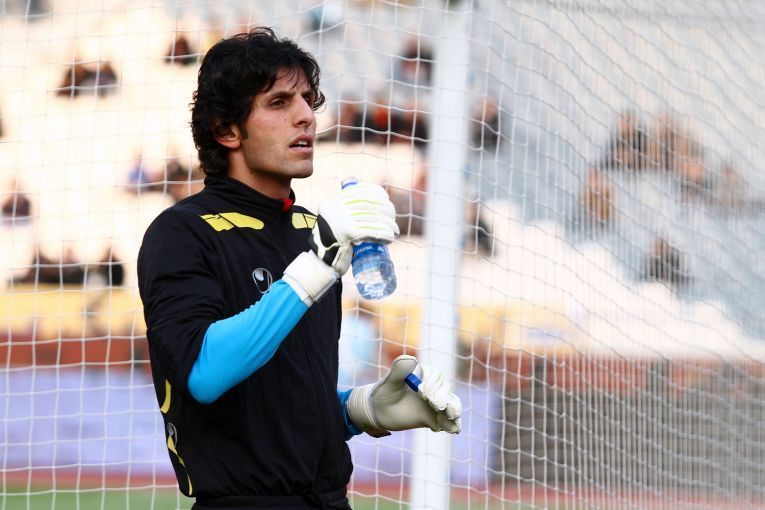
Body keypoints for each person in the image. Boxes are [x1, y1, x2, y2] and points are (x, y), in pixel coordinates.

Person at [137, 27, 461, 510]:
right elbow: (205, 374)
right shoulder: (183, 232)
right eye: (279, 102)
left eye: (308, 99)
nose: (306, 115)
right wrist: (318, 265)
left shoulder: (313, 232)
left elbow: (282, 403)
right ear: (227, 130)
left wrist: (363, 409)